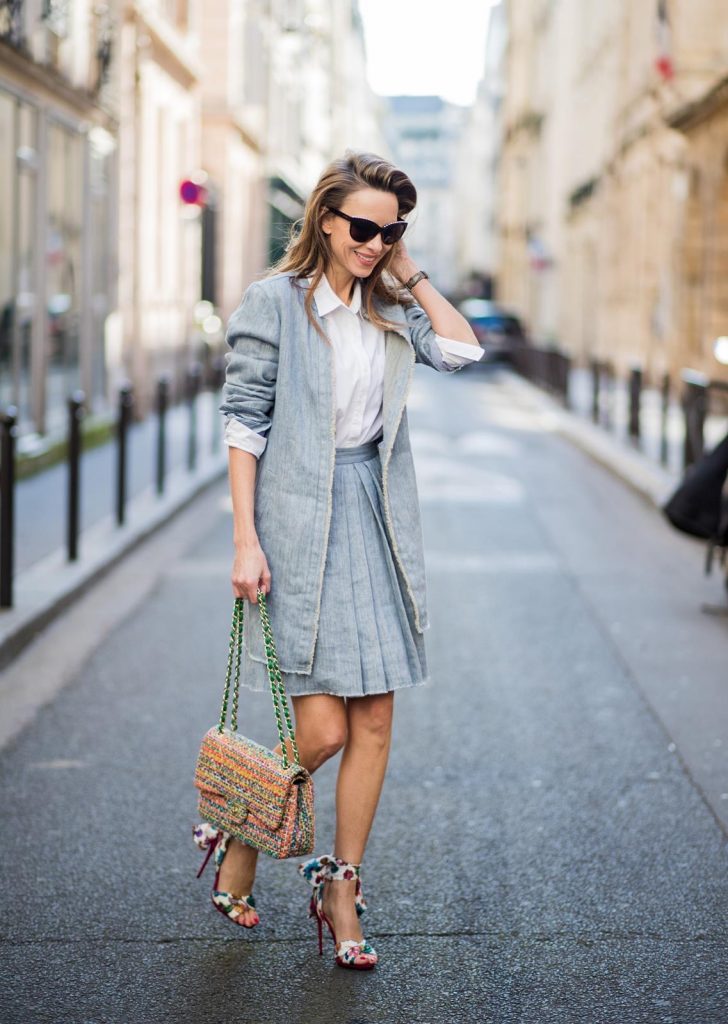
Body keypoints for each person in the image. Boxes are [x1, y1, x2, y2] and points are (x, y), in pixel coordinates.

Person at [200, 151, 483, 970]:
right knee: (319, 729)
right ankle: (244, 831)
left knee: (377, 718)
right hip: (298, 519)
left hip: (375, 514)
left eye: (388, 231)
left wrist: (409, 269)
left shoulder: (392, 303)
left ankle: (341, 887)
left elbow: (463, 353)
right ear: (325, 219)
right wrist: (245, 538)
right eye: (361, 227)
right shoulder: (274, 304)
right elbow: (244, 421)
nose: (372, 241)